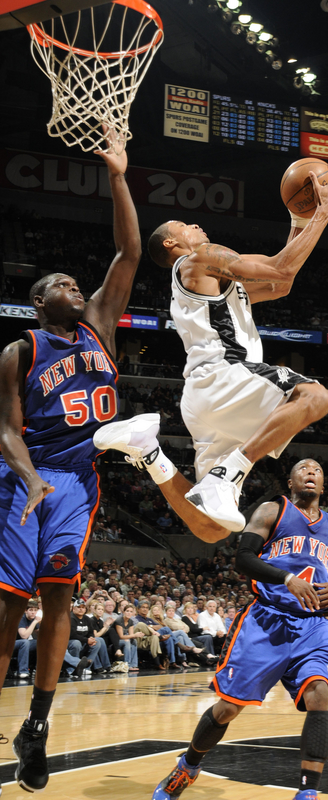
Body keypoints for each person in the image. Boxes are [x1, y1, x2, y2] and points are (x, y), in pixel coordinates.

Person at [0, 129, 143, 795]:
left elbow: (129, 251)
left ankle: (37, 725)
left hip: (77, 484)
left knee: (59, 594)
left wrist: (117, 175)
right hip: (22, 479)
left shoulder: (101, 327)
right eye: (62, 283)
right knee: (9, 605)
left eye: (77, 281)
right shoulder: (20, 350)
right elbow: (6, 431)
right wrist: (30, 479)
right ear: (39, 301)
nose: (75, 285)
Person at [95, 165, 328, 534]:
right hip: (226, 374)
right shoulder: (200, 258)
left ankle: (149, 453)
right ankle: (227, 475)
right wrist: (323, 212)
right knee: (316, 397)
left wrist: (299, 219)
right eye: (185, 225)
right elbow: (281, 268)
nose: (196, 225)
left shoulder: (209, 280)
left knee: (212, 529)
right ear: (170, 243)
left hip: (208, 398)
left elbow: (281, 283)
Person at [151, 458, 328, 800]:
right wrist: (286, 578)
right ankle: (187, 766)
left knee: (319, 695)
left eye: (317, 470)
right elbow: (243, 558)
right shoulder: (273, 511)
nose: (310, 472)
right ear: (291, 482)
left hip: (314, 625)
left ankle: (308, 793)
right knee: (228, 708)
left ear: (323, 483)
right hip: (267, 620)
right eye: (303, 469)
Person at [13, 600, 40, 679]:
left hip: (24, 644)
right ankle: (22, 671)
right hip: (11, 644)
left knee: (41, 643)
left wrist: (41, 623)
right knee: (25, 642)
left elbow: (40, 635)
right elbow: (24, 635)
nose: (33, 612)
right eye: (31, 610)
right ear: (25, 611)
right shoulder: (21, 618)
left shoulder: (34, 619)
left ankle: (37, 669)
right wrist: (35, 622)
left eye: (35, 610)